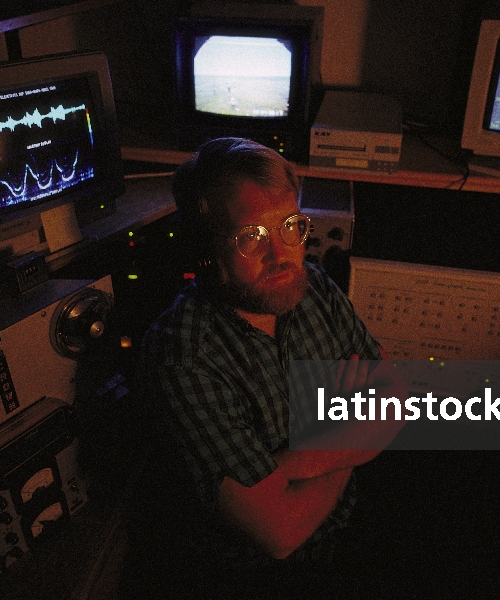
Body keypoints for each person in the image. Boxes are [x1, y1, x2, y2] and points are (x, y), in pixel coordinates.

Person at [121, 137, 406, 599]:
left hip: (350, 533)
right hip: (252, 580)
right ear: (207, 252)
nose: (283, 255)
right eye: (252, 236)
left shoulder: (312, 285)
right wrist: (349, 433)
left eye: (291, 226)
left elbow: (394, 403)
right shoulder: (182, 357)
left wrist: (289, 466)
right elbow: (281, 534)